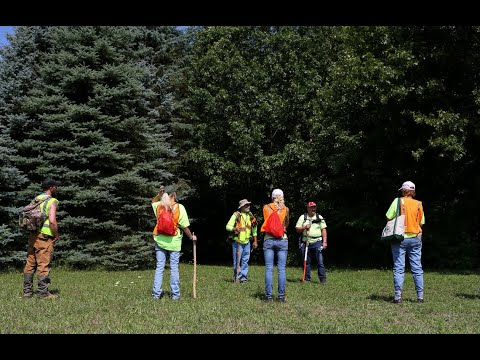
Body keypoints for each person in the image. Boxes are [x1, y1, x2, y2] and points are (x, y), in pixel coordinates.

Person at [151, 186, 197, 300]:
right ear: (174, 195)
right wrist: (191, 237)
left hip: (159, 240)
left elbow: (153, 201)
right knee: (174, 268)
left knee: (159, 267)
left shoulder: (159, 206)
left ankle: (156, 295)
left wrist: (158, 194)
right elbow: (184, 226)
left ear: (164, 194)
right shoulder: (179, 207)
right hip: (174, 242)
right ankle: (175, 296)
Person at [386, 181, 425, 304]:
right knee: (417, 267)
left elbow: (388, 216)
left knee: (399, 267)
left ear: (403, 191)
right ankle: (420, 297)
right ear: (413, 192)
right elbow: (421, 222)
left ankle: (398, 297)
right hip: (416, 237)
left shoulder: (397, 201)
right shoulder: (419, 204)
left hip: (400, 238)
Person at [23, 178, 60, 299]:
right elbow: (52, 221)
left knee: (30, 263)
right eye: (56, 187)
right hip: (44, 236)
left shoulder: (36, 199)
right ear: (51, 188)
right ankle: (43, 293)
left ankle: (27, 292)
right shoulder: (52, 201)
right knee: (43, 264)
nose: (57, 189)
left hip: (32, 235)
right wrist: (56, 235)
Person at [261, 188, 289, 302]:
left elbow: (267, 222)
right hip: (282, 240)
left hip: (269, 239)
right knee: (281, 269)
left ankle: (269, 297)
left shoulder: (266, 207)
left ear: (272, 197)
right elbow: (286, 224)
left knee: (269, 269)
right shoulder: (286, 209)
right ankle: (281, 297)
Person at [225, 199, 258, 283]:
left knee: (245, 261)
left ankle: (243, 278)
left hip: (247, 242)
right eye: (246, 205)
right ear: (242, 207)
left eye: (248, 205)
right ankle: (237, 277)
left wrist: (255, 241)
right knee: (237, 261)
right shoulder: (236, 215)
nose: (248, 206)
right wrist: (234, 228)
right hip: (237, 242)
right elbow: (227, 226)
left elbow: (254, 229)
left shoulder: (251, 216)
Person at [295, 201, 328, 284]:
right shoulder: (303, 217)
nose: (313, 209)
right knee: (306, 261)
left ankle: (322, 279)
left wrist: (324, 242)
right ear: (308, 208)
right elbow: (297, 229)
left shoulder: (319, 217)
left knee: (320, 261)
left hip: (317, 241)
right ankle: (306, 279)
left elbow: (323, 229)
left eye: (314, 207)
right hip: (306, 241)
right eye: (311, 207)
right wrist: (304, 227)